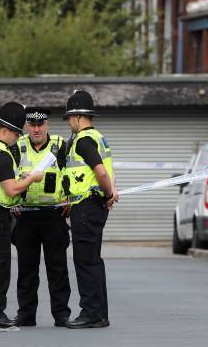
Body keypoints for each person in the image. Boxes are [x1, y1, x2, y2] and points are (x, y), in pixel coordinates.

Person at [0, 102, 43, 329]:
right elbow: (11, 190)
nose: (16, 138)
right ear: (6, 130)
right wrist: (31, 179)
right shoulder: (1, 155)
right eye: (16, 133)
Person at [63, 90, 119, 329]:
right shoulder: (98, 137)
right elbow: (105, 171)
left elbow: (101, 172)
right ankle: (100, 314)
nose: (68, 122)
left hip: (85, 207)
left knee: (85, 261)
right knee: (93, 260)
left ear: (77, 116)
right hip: (93, 206)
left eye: (69, 117)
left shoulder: (84, 140)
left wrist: (108, 193)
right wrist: (108, 194)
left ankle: (90, 313)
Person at [11, 107, 71, 327]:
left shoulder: (61, 145)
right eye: (32, 125)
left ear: (47, 125)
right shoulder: (17, 147)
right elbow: (7, 179)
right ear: (26, 126)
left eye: (40, 124)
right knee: (26, 268)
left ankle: (61, 314)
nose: (36, 129)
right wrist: (12, 203)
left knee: (58, 268)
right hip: (25, 216)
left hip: (54, 214)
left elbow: (72, 175)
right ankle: (26, 314)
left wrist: (70, 199)